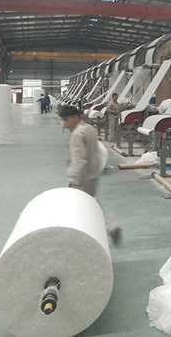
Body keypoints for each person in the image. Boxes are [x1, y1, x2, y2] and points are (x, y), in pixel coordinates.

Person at [59, 105, 121, 245]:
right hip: (93, 174)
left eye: (65, 120)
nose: (64, 124)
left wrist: (73, 179)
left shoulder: (77, 134)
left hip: (82, 178)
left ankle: (104, 229)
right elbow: (95, 152)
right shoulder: (89, 128)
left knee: (82, 206)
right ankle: (110, 226)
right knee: (92, 203)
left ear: (75, 117)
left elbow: (79, 159)